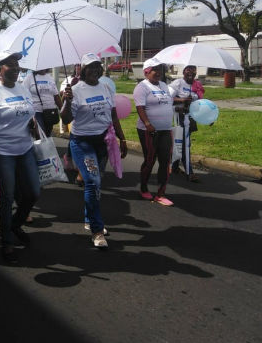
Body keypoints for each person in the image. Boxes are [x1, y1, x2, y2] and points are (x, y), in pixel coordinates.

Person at [60, 53, 127, 248]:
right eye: (90, 66)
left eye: (98, 66)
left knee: (96, 184)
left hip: (102, 143)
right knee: (92, 182)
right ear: (82, 69)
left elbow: (113, 115)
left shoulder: (105, 87)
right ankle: (97, 230)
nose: (95, 70)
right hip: (82, 143)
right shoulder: (75, 90)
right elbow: (65, 119)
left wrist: (121, 138)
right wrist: (66, 100)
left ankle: (90, 220)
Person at [0, 51, 40, 263]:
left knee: (33, 192)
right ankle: (7, 242)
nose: (15, 69)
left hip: (26, 148)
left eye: (17, 65)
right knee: (7, 197)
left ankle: (15, 224)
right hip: (3, 152)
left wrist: (31, 124)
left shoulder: (23, 88)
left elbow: (29, 113)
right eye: (9, 65)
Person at [133, 58, 175, 206]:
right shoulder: (142, 87)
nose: (158, 73)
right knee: (150, 160)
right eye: (154, 70)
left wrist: (182, 103)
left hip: (166, 129)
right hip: (148, 130)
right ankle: (144, 188)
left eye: (160, 69)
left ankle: (161, 194)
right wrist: (147, 123)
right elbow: (140, 108)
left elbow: (168, 103)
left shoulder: (164, 85)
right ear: (146, 72)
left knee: (165, 161)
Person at [169, 65, 203, 182]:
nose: (191, 72)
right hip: (179, 118)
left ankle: (174, 167)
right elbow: (167, 98)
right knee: (185, 144)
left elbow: (200, 103)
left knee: (183, 142)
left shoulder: (196, 85)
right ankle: (190, 172)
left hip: (190, 118)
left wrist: (207, 117)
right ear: (183, 71)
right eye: (188, 70)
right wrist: (182, 101)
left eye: (193, 71)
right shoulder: (177, 83)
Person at [23, 68, 62, 137]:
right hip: (36, 111)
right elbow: (23, 94)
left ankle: (45, 147)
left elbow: (56, 95)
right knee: (41, 134)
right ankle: (42, 147)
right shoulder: (29, 78)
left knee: (47, 134)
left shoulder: (50, 77)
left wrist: (62, 109)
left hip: (50, 111)